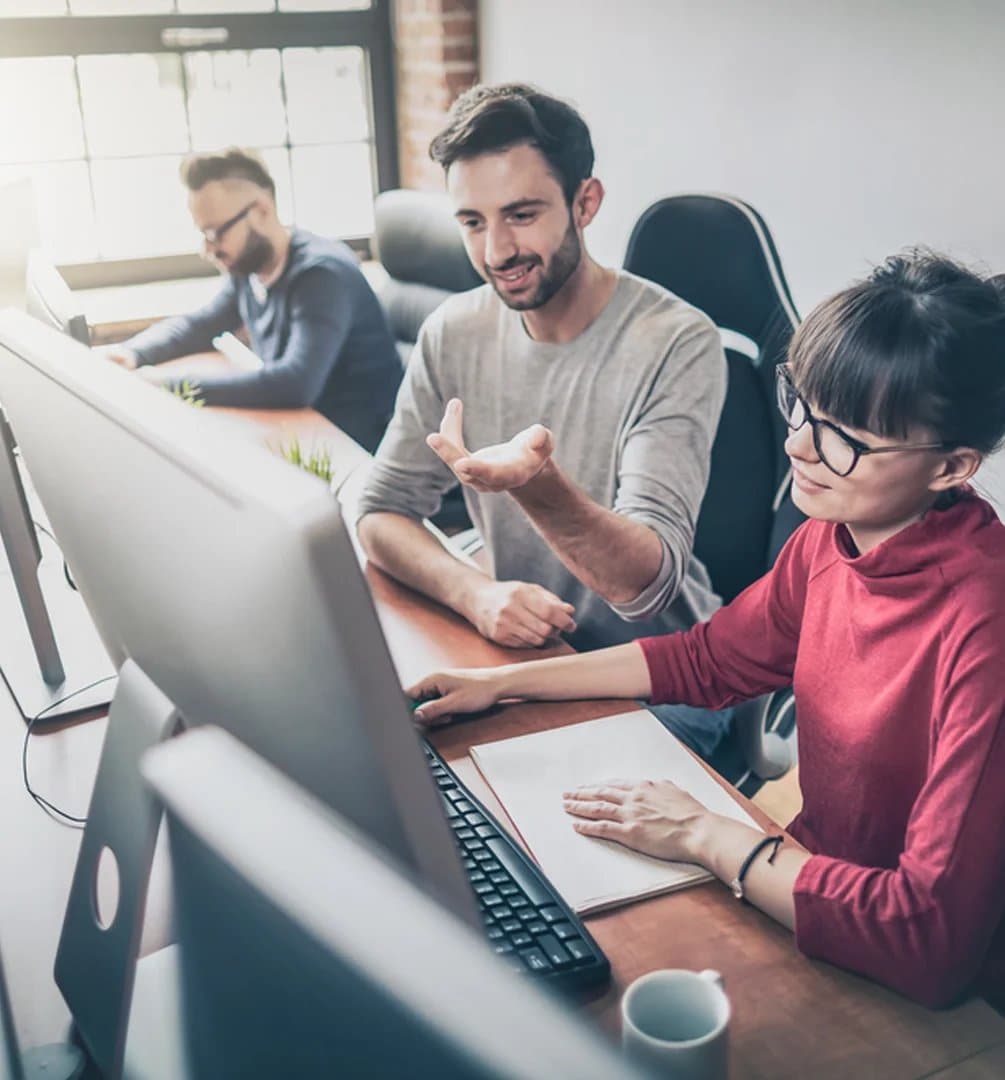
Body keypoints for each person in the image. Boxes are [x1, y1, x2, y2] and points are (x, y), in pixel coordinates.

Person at [407, 251, 1005, 1010]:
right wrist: (496, 684)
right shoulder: (832, 538)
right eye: (802, 408)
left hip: (932, 992)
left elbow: (928, 938)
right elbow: (705, 660)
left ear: (952, 467)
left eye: (843, 437)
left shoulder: (984, 628)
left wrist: (703, 835)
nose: (796, 448)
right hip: (797, 891)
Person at [356, 84, 730, 757]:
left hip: (662, 683)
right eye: (471, 221)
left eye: (521, 215)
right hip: (523, 661)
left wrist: (536, 485)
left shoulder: (675, 341)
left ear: (584, 203)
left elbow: (642, 590)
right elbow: (379, 510)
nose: (496, 250)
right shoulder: (454, 330)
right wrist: (475, 593)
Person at [99, 148, 402, 453]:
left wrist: (167, 386)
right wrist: (132, 353)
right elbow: (201, 325)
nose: (207, 250)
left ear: (262, 210)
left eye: (215, 232)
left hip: (356, 449)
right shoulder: (250, 267)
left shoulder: (321, 276)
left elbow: (294, 385)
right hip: (304, 431)